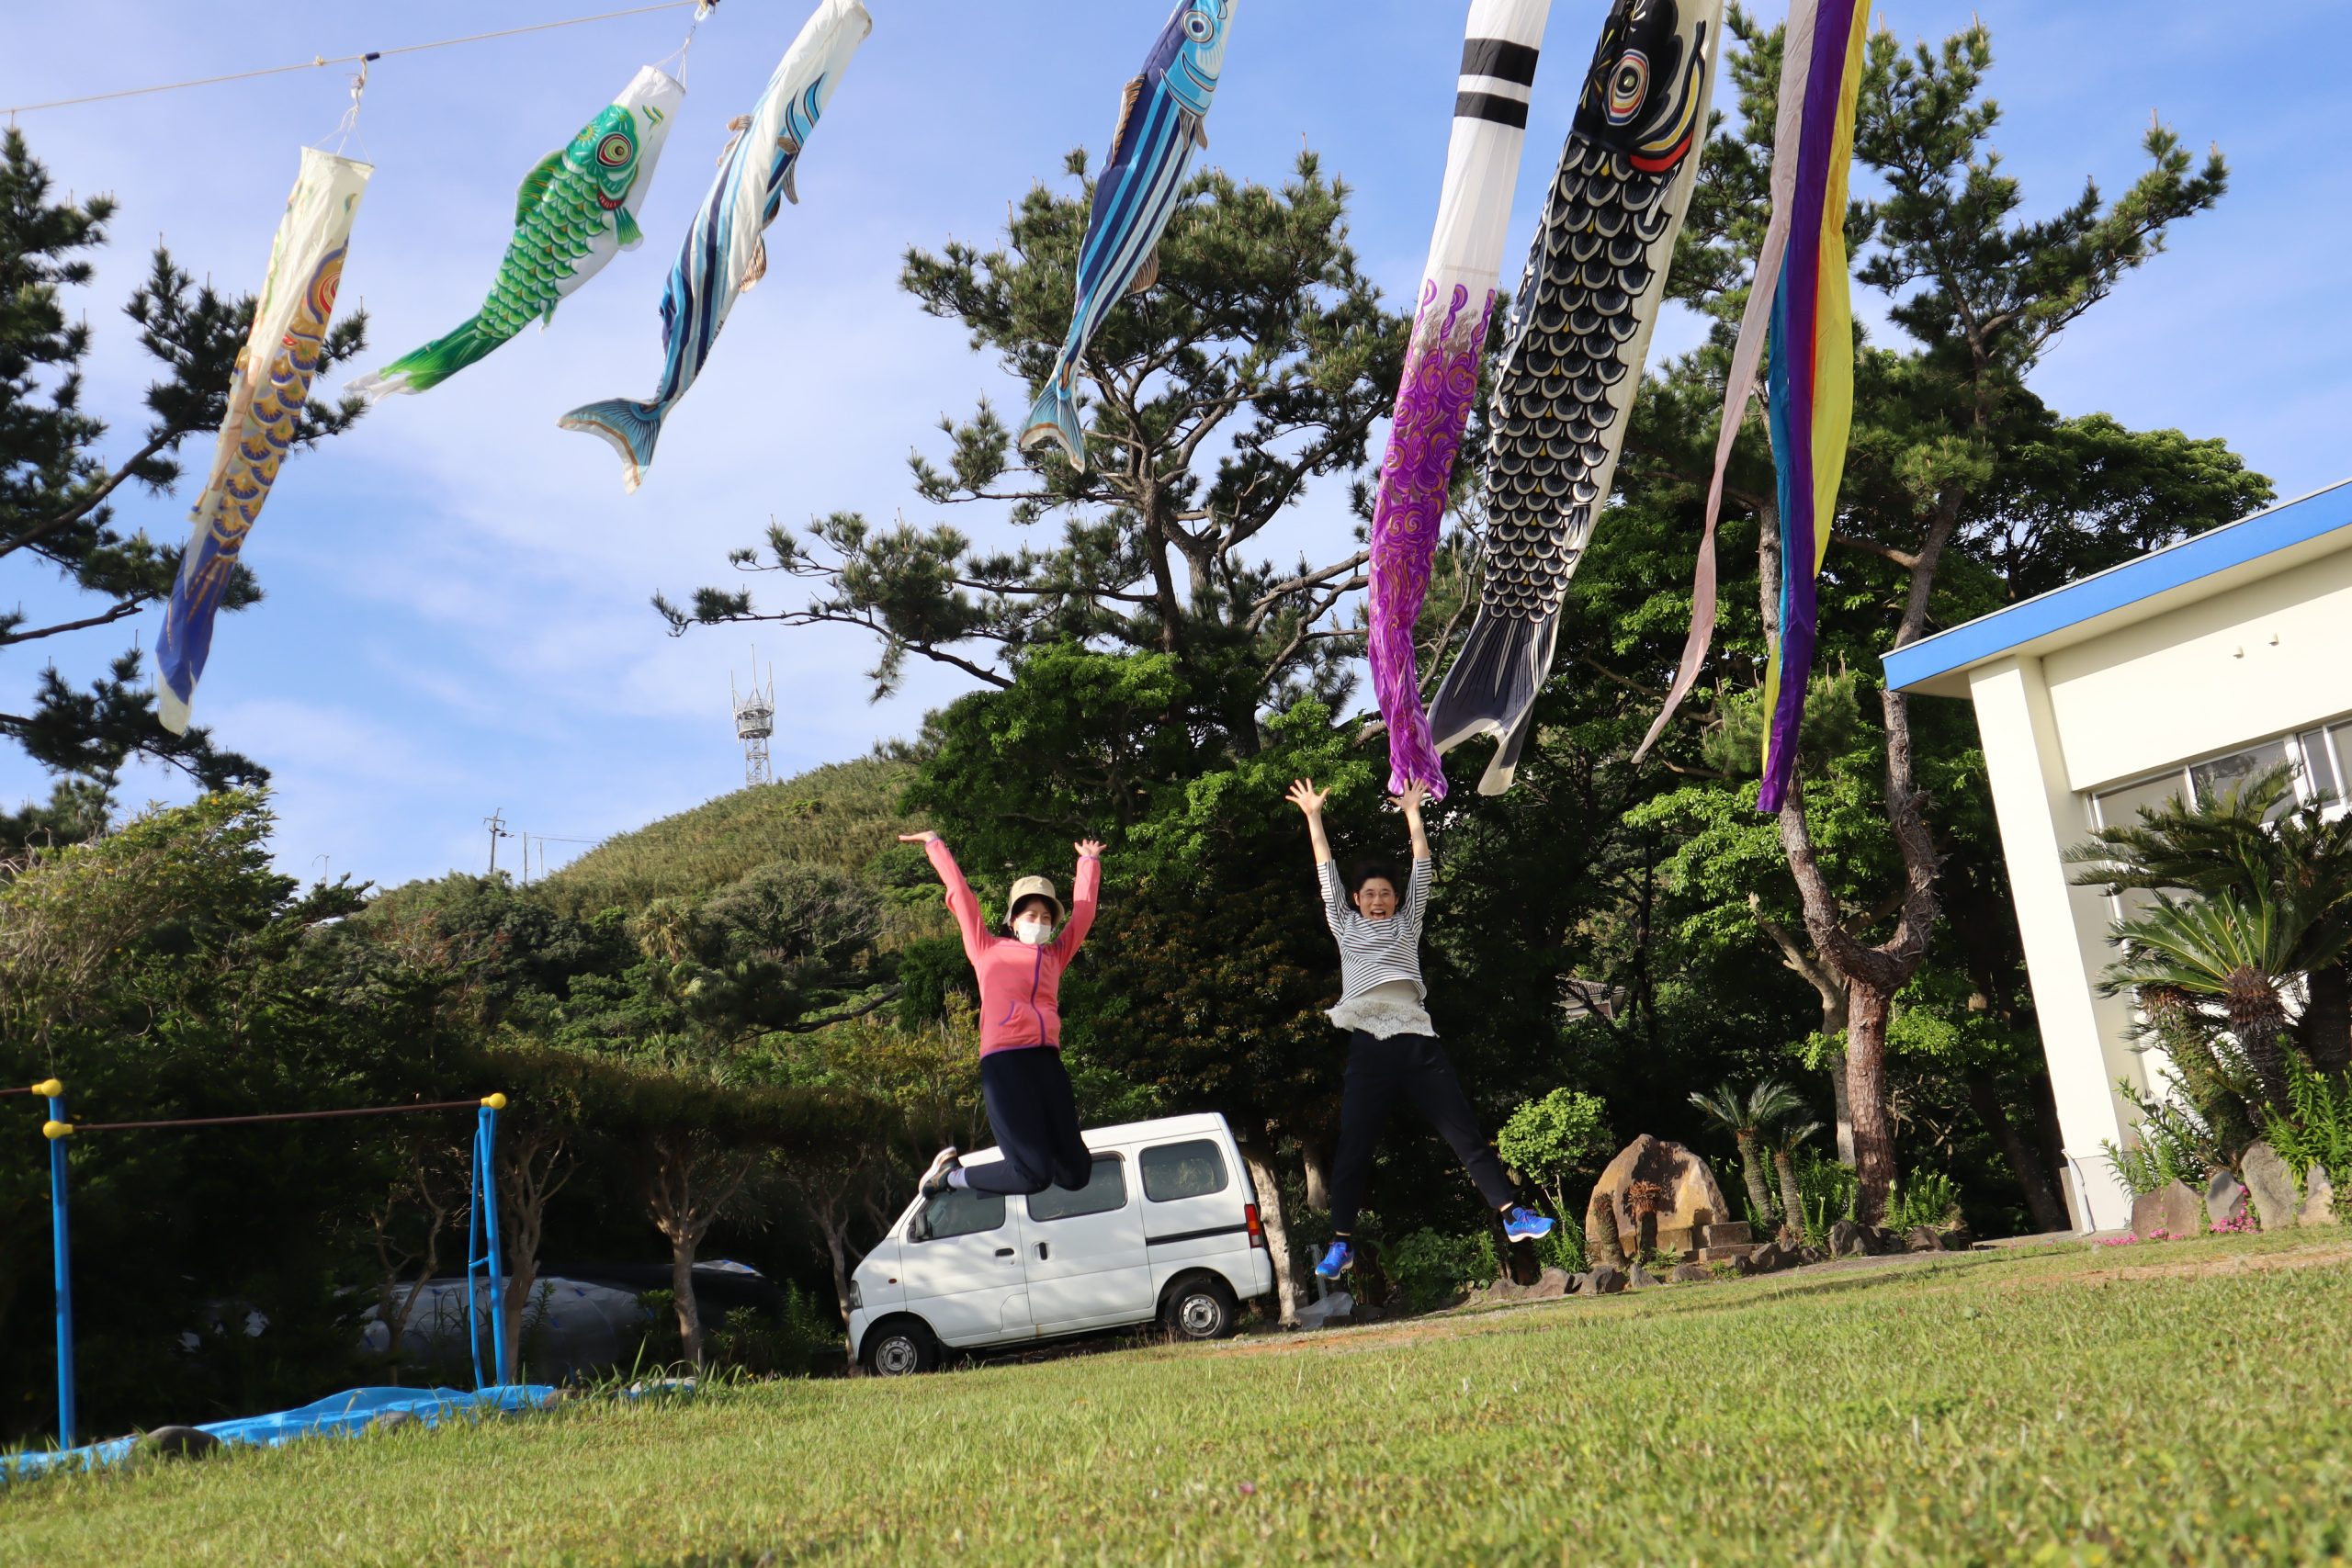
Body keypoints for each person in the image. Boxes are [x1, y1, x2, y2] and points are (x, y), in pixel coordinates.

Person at [1283, 776, 1554, 1279]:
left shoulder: (1408, 924)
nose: (1379, 900)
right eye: (1370, 894)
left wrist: (1412, 811)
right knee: (1353, 1148)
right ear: (1357, 900)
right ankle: (1341, 1242)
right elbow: (1325, 872)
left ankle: (1512, 1215)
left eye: (1386, 893)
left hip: (1417, 1042)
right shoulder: (1345, 926)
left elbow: (1423, 865)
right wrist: (1314, 817)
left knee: (1465, 1134)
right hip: (1369, 1046)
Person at [898, 829, 1105, 1199]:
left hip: (1047, 1062)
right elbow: (961, 896)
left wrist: (1088, 863)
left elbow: (1084, 915)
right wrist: (935, 845)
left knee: (1075, 1174)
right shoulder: (986, 948)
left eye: (1046, 917)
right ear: (1013, 920)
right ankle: (950, 1177)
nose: (1039, 922)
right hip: (1006, 1062)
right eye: (1031, 914)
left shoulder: (1055, 956)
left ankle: (1031, 1156)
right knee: (1031, 1178)